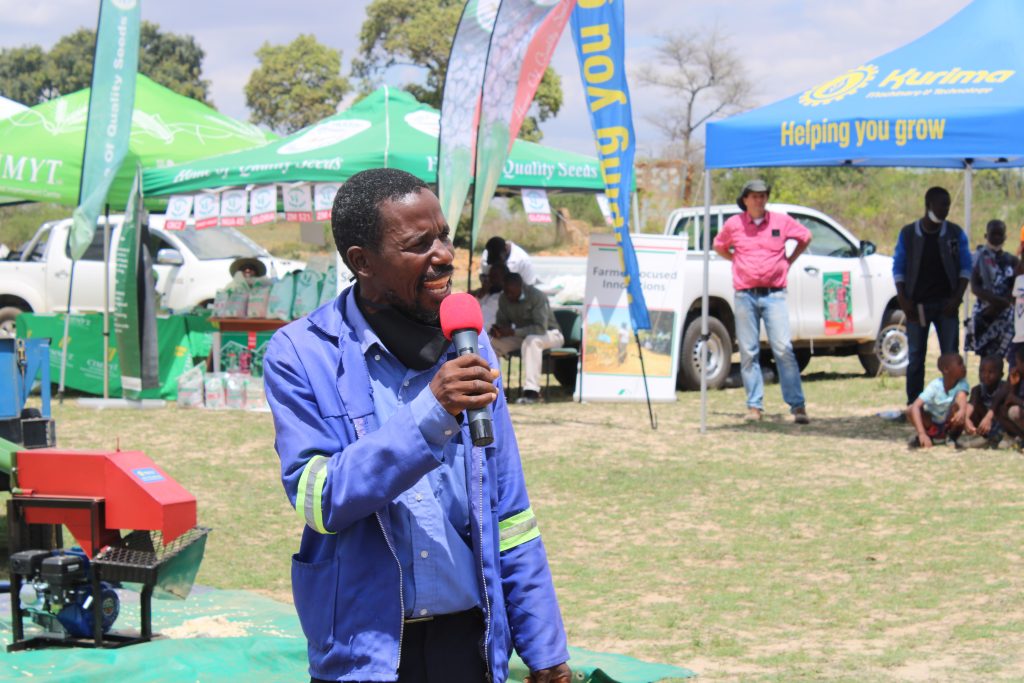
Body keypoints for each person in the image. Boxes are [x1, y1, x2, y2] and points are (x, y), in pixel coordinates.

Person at [262, 168, 571, 683]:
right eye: (418, 243)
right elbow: (319, 500)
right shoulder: (301, 354)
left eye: (445, 235)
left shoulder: (469, 344)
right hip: (366, 648)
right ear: (362, 262)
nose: (445, 255)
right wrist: (431, 412)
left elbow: (510, 512)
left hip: (468, 641)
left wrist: (545, 650)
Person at [712, 179, 812, 424]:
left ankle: (797, 405)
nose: (759, 200)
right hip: (745, 294)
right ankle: (754, 405)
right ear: (745, 200)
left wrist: (788, 260)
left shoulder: (780, 220)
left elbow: (806, 236)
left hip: (774, 293)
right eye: (754, 196)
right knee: (748, 351)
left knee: (783, 348)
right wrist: (736, 259)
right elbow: (719, 245)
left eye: (763, 196)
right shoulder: (734, 224)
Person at [892, 187, 972, 407]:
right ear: (928, 205)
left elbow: (966, 267)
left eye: (947, 204)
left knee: (951, 357)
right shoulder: (909, 234)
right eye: (941, 204)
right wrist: (903, 299)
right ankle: (914, 405)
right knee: (916, 356)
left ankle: (952, 404)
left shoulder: (955, 233)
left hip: (947, 304)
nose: (945, 209)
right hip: (917, 306)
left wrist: (956, 298)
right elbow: (898, 267)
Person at [489, 272, 564, 405]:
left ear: (520, 286)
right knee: (493, 344)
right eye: (506, 292)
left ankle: (532, 391)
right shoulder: (504, 298)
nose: (509, 296)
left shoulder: (536, 296)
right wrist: (498, 330)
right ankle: (493, 387)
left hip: (550, 334)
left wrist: (512, 331)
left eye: (512, 292)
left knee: (532, 341)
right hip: (522, 336)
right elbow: (503, 322)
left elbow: (540, 328)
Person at [965, 220, 1018, 359]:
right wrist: (995, 303)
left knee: (1002, 356)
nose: (996, 238)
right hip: (985, 313)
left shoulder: (1012, 260)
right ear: (985, 235)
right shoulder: (978, 257)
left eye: (999, 234)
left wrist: (1003, 303)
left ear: (1005, 237)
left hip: (1005, 314)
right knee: (986, 356)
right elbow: (975, 287)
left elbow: (1016, 285)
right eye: (992, 234)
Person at [907, 352, 969, 449]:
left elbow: (962, 396)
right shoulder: (935, 386)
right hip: (932, 423)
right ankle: (927, 436)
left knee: (964, 407)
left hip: (949, 424)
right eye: (960, 364)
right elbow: (916, 406)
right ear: (946, 369)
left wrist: (962, 410)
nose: (964, 367)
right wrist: (921, 433)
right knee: (910, 409)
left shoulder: (962, 383)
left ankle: (951, 437)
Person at [959, 355, 1006, 449]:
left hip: (999, 424)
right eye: (982, 371)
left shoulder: (1004, 387)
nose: (985, 375)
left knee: (1002, 408)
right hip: (984, 425)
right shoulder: (977, 389)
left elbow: (996, 406)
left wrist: (988, 418)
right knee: (970, 408)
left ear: (1001, 375)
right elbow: (972, 405)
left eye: (990, 372)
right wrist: (966, 419)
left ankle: (1000, 437)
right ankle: (980, 435)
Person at [997, 344, 1024, 448]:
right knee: (1001, 410)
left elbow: (1014, 401)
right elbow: (1009, 400)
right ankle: (1020, 437)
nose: (1015, 366)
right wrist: (1013, 385)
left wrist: (1016, 400)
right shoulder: (1019, 377)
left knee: (1015, 411)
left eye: (1017, 363)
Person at [477, 261, 507, 331]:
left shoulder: (506, 298)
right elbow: (472, 310)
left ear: (504, 278)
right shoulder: (487, 293)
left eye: (495, 276)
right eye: (490, 276)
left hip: (487, 334)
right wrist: (482, 293)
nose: (490, 279)